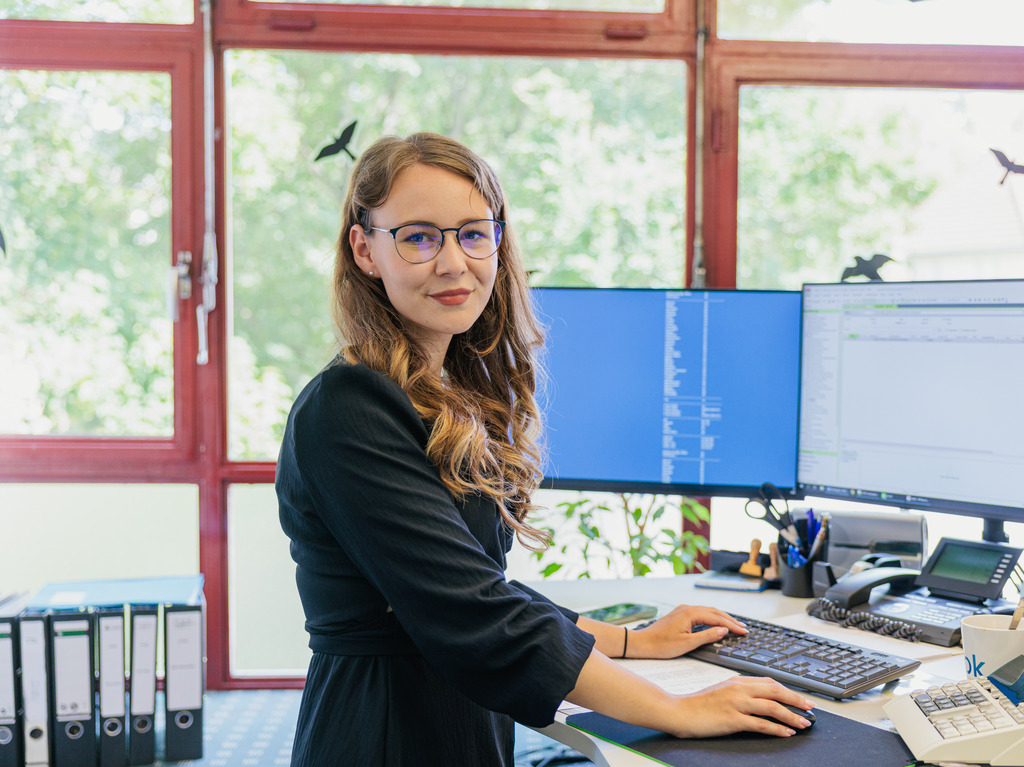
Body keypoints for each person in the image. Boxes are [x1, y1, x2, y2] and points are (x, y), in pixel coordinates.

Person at [275, 132, 814, 767]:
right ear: (365, 250)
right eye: (418, 237)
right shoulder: (348, 410)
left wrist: (632, 642)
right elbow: (471, 611)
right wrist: (676, 710)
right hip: (387, 732)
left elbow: (482, 584)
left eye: (474, 233)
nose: (454, 262)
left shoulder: (440, 392)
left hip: (453, 721)